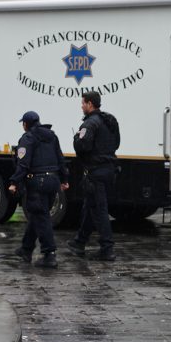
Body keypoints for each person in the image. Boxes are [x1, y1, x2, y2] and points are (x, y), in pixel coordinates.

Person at [8, 111, 69, 268]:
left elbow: (23, 163)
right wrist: (64, 179)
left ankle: (50, 254)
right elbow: (60, 159)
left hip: (37, 182)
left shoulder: (27, 138)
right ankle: (26, 249)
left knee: (41, 217)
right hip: (53, 181)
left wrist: (14, 182)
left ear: (26, 124)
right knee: (37, 214)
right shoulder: (52, 136)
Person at [67, 91, 120, 261]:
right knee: (90, 208)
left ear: (90, 104)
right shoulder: (109, 121)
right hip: (109, 171)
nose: (81, 106)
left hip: (95, 173)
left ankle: (107, 248)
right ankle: (79, 242)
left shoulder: (89, 124)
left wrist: (76, 138)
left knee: (100, 211)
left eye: (83, 103)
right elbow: (117, 143)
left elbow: (83, 147)